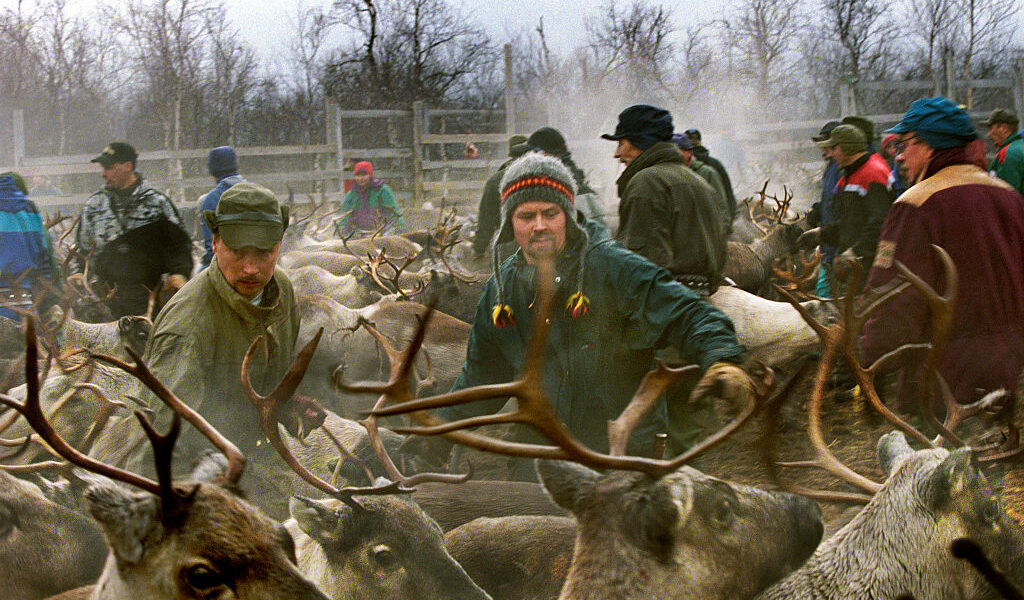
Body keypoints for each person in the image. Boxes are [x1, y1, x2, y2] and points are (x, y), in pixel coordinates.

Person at [435, 153, 751, 479]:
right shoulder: (501, 292)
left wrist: (721, 358)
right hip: (543, 468)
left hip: (621, 465)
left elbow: (689, 314)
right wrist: (439, 432)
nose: (539, 226)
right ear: (509, 225)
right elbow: (480, 377)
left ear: (569, 217)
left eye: (550, 213)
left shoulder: (615, 268)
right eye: (526, 215)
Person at [139, 183, 302, 512]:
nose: (251, 268)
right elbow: (165, 445)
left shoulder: (282, 290)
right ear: (214, 244)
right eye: (238, 252)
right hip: (200, 477)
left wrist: (287, 403)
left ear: (280, 246)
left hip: (258, 452)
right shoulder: (187, 328)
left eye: (263, 253)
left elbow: (271, 380)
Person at [860, 96, 1024, 408]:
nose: (898, 156)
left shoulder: (915, 205)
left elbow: (893, 298)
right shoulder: (1010, 197)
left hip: (938, 385)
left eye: (904, 143)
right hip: (1005, 373)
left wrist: (871, 360)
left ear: (929, 145)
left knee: (939, 456)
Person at [605, 105, 727, 297]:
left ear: (640, 142)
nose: (616, 154)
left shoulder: (646, 184)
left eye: (621, 143)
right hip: (701, 304)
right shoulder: (701, 183)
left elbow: (641, 268)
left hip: (663, 310)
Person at [72, 142, 192, 318]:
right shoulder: (94, 206)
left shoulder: (157, 203)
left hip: (150, 300)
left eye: (109, 167)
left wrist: (179, 274)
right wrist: (78, 275)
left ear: (128, 166)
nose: (103, 174)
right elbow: (82, 251)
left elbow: (180, 246)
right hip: (105, 302)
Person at [800, 124, 894, 287]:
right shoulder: (853, 174)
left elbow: (882, 225)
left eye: (834, 148)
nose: (831, 153)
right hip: (858, 268)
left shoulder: (872, 174)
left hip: (871, 271)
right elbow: (852, 223)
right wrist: (822, 234)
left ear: (847, 147)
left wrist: (856, 253)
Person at [512, 127, 607, 229]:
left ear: (542, 154)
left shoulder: (559, 191)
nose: (527, 158)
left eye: (530, 153)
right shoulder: (577, 185)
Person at [0, 172, 60, 321]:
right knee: (29, 344)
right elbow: (47, 268)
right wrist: (49, 305)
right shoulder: (30, 213)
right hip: (26, 305)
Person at [472, 134, 528, 258]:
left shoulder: (496, 181)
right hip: (538, 241)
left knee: (507, 275)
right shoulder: (543, 176)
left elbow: (486, 218)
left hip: (509, 242)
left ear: (511, 154)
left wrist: (479, 248)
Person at [806, 121, 843, 298]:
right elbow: (830, 199)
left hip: (836, 242)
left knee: (827, 294)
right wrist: (818, 210)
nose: (822, 149)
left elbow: (841, 205)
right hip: (829, 242)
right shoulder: (831, 167)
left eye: (825, 144)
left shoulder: (840, 168)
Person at [198, 146, 245, 269]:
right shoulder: (258, 192)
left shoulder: (211, 199)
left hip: (228, 266)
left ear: (213, 171)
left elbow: (212, 248)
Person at [672, 133, 730, 233]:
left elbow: (720, 206)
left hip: (702, 235)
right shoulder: (666, 174)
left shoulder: (707, 173)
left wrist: (721, 232)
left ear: (688, 152)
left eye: (677, 151)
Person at [335, 161, 404, 237]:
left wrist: (398, 229)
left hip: (382, 233)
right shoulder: (351, 195)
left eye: (364, 175)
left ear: (370, 175)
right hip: (359, 235)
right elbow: (344, 218)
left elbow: (394, 214)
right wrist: (342, 232)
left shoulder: (382, 190)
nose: (361, 178)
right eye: (357, 175)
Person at [684, 128, 737, 221]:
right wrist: (729, 222)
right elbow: (728, 194)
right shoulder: (715, 164)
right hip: (715, 222)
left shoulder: (680, 166)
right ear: (700, 142)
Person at [984, 108, 1024, 194]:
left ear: (1004, 128)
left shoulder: (1009, 153)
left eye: (991, 128)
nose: (989, 134)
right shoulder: (1019, 146)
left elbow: (1009, 195)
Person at [880, 134, 909, 198]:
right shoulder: (885, 162)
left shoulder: (900, 157)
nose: (893, 149)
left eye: (895, 145)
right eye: (889, 147)